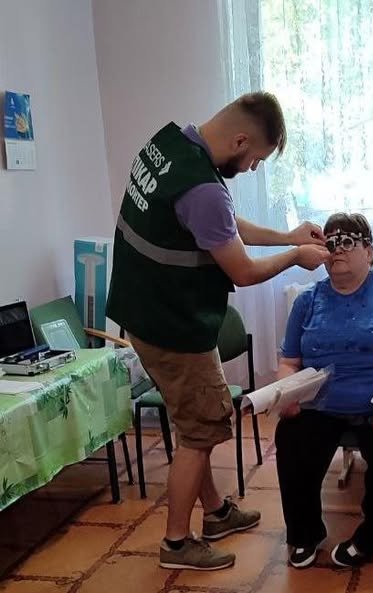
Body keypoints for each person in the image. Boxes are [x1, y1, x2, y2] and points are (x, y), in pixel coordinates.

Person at [106, 92, 330, 571]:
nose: (251, 168)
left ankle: (215, 513)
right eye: (255, 159)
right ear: (241, 140)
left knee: (195, 424)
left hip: (143, 312)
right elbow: (243, 271)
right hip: (173, 326)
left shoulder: (169, 145)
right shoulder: (202, 187)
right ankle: (176, 544)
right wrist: (296, 256)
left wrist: (288, 235)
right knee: (202, 431)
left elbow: (222, 224)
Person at [275, 212, 373, 569]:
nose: (338, 250)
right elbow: (290, 361)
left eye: (348, 242)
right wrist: (287, 393)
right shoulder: (307, 301)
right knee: (291, 438)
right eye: (331, 243)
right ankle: (304, 533)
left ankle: (370, 538)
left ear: (369, 250)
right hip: (320, 403)